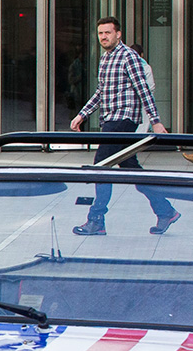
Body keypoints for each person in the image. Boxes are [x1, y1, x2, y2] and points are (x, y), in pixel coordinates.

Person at [70, 16, 176, 236]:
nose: (103, 37)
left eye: (108, 32)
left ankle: (96, 219)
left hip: (123, 119)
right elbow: (101, 92)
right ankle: (165, 210)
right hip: (110, 118)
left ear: (118, 34)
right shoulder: (105, 58)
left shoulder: (129, 57)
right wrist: (82, 114)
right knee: (131, 168)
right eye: (100, 33)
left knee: (101, 164)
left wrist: (155, 121)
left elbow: (144, 90)